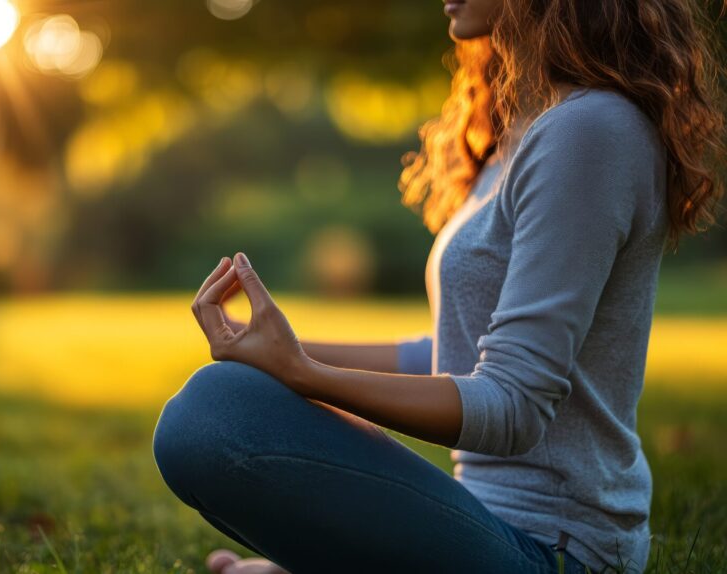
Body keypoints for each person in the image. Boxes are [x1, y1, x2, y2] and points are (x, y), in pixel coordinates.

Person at [152, 0, 726, 572]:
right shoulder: (521, 128)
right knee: (227, 389)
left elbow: (514, 406)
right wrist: (280, 353)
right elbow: (458, 350)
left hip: (558, 552)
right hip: (485, 521)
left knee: (214, 414)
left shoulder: (592, 128)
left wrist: (305, 375)